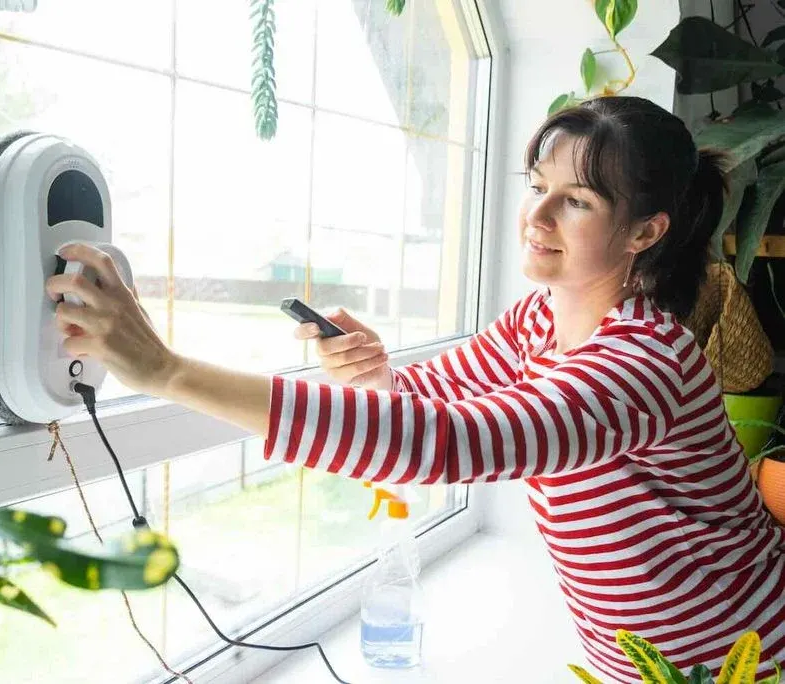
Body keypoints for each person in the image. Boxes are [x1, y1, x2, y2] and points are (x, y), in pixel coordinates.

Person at [46, 96, 785, 682]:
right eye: (537, 188)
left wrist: (166, 371)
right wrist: (379, 373)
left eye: (579, 201)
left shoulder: (644, 364)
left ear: (645, 232)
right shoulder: (539, 320)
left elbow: (441, 445)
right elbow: (429, 395)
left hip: (747, 659)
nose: (536, 216)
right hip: (645, 663)